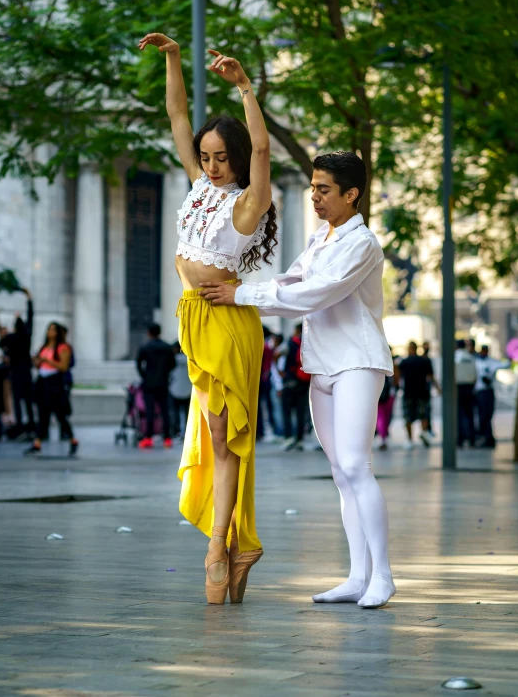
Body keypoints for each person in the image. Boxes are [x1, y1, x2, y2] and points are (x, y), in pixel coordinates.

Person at [201, 151, 396, 608]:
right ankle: (357, 576)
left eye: (324, 189)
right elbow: (290, 281)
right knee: (340, 474)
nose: (315, 197)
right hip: (322, 365)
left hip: (358, 363)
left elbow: (316, 293)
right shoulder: (318, 239)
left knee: (354, 466)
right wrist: (238, 289)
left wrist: (242, 295)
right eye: (313, 187)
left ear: (352, 194)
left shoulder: (362, 243)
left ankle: (383, 576)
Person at [138, 32, 277, 604]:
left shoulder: (248, 200)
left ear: (238, 158)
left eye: (223, 157)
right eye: (207, 156)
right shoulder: (199, 186)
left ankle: (220, 547)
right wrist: (173, 58)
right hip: (195, 319)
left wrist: (246, 88)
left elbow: (265, 152)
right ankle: (234, 546)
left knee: (223, 441)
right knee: (214, 438)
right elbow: (177, 114)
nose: (213, 165)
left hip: (227, 324)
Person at [24, 323, 78, 456]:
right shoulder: (44, 347)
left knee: (60, 414)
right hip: (43, 381)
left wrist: (48, 361)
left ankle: (72, 439)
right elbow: (39, 365)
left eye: (53, 330)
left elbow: (64, 367)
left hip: (55, 383)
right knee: (42, 413)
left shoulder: (63, 347)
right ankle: (37, 442)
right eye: (49, 329)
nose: (50, 332)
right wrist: (37, 361)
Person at [0, 287, 35, 437]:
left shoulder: (11, 338)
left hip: (16, 371)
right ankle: (30, 424)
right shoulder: (27, 336)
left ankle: (20, 425)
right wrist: (29, 299)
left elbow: (0, 340)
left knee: (17, 400)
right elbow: (31, 317)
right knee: (28, 400)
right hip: (26, 371)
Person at [136, 324, 176, 449]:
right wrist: (165, 373)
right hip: (163, 383)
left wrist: (145, 375)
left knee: (149, 411)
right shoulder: (167, 347)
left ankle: (148, 438)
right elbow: (172, 364)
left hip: (149, 384)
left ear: (148, 333)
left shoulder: (145, 347)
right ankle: (167, 438)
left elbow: (138, 363)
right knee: (165, 411)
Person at [399, 342, 434, 449]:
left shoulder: (404, 362)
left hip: (409, 393)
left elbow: (398, 377)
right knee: (423, 415)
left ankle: (409, 440)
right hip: (422, 392)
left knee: (408, 417)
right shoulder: (424, 361)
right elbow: (430, 376)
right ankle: (423, 433)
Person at [281, 323, 311, 451]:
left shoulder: (291, 343)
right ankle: (299, 439)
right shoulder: (309, 343)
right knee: (301, 412)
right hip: (304, 381)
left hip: (290, 381)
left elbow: (283, 360)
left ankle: (288, 437)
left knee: (287, 411)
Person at [474, 345, 510, 448]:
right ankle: (483, 436)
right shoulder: (476, 362)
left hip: (488, 391)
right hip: (479, 392)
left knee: (487, 415)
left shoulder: (492, 362)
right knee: (482, 416)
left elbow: (506, 364)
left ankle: (487, 437)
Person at [375, 348, 400, 450]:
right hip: (389, 394)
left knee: (380, 415)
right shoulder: (392, 363)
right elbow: (396, 380)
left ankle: (382, 435)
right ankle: (383, 436)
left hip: (378, 393)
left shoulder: (376, 362)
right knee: (387, 415)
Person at [455, 339, 477, 447]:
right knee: (470, 414)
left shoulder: (455, 357)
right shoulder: (470, 357)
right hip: (469, 388)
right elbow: (475, 375)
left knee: (458, 415)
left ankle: (460, 439)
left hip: (458, 388)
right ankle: (472, 439)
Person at [169, 342, 192, 438]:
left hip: (174, 389)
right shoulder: (190, 359)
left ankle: (176, 431)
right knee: (188, 413)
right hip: (188, 390)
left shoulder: (172, 360)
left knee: (175, 412)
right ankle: (188, 432)